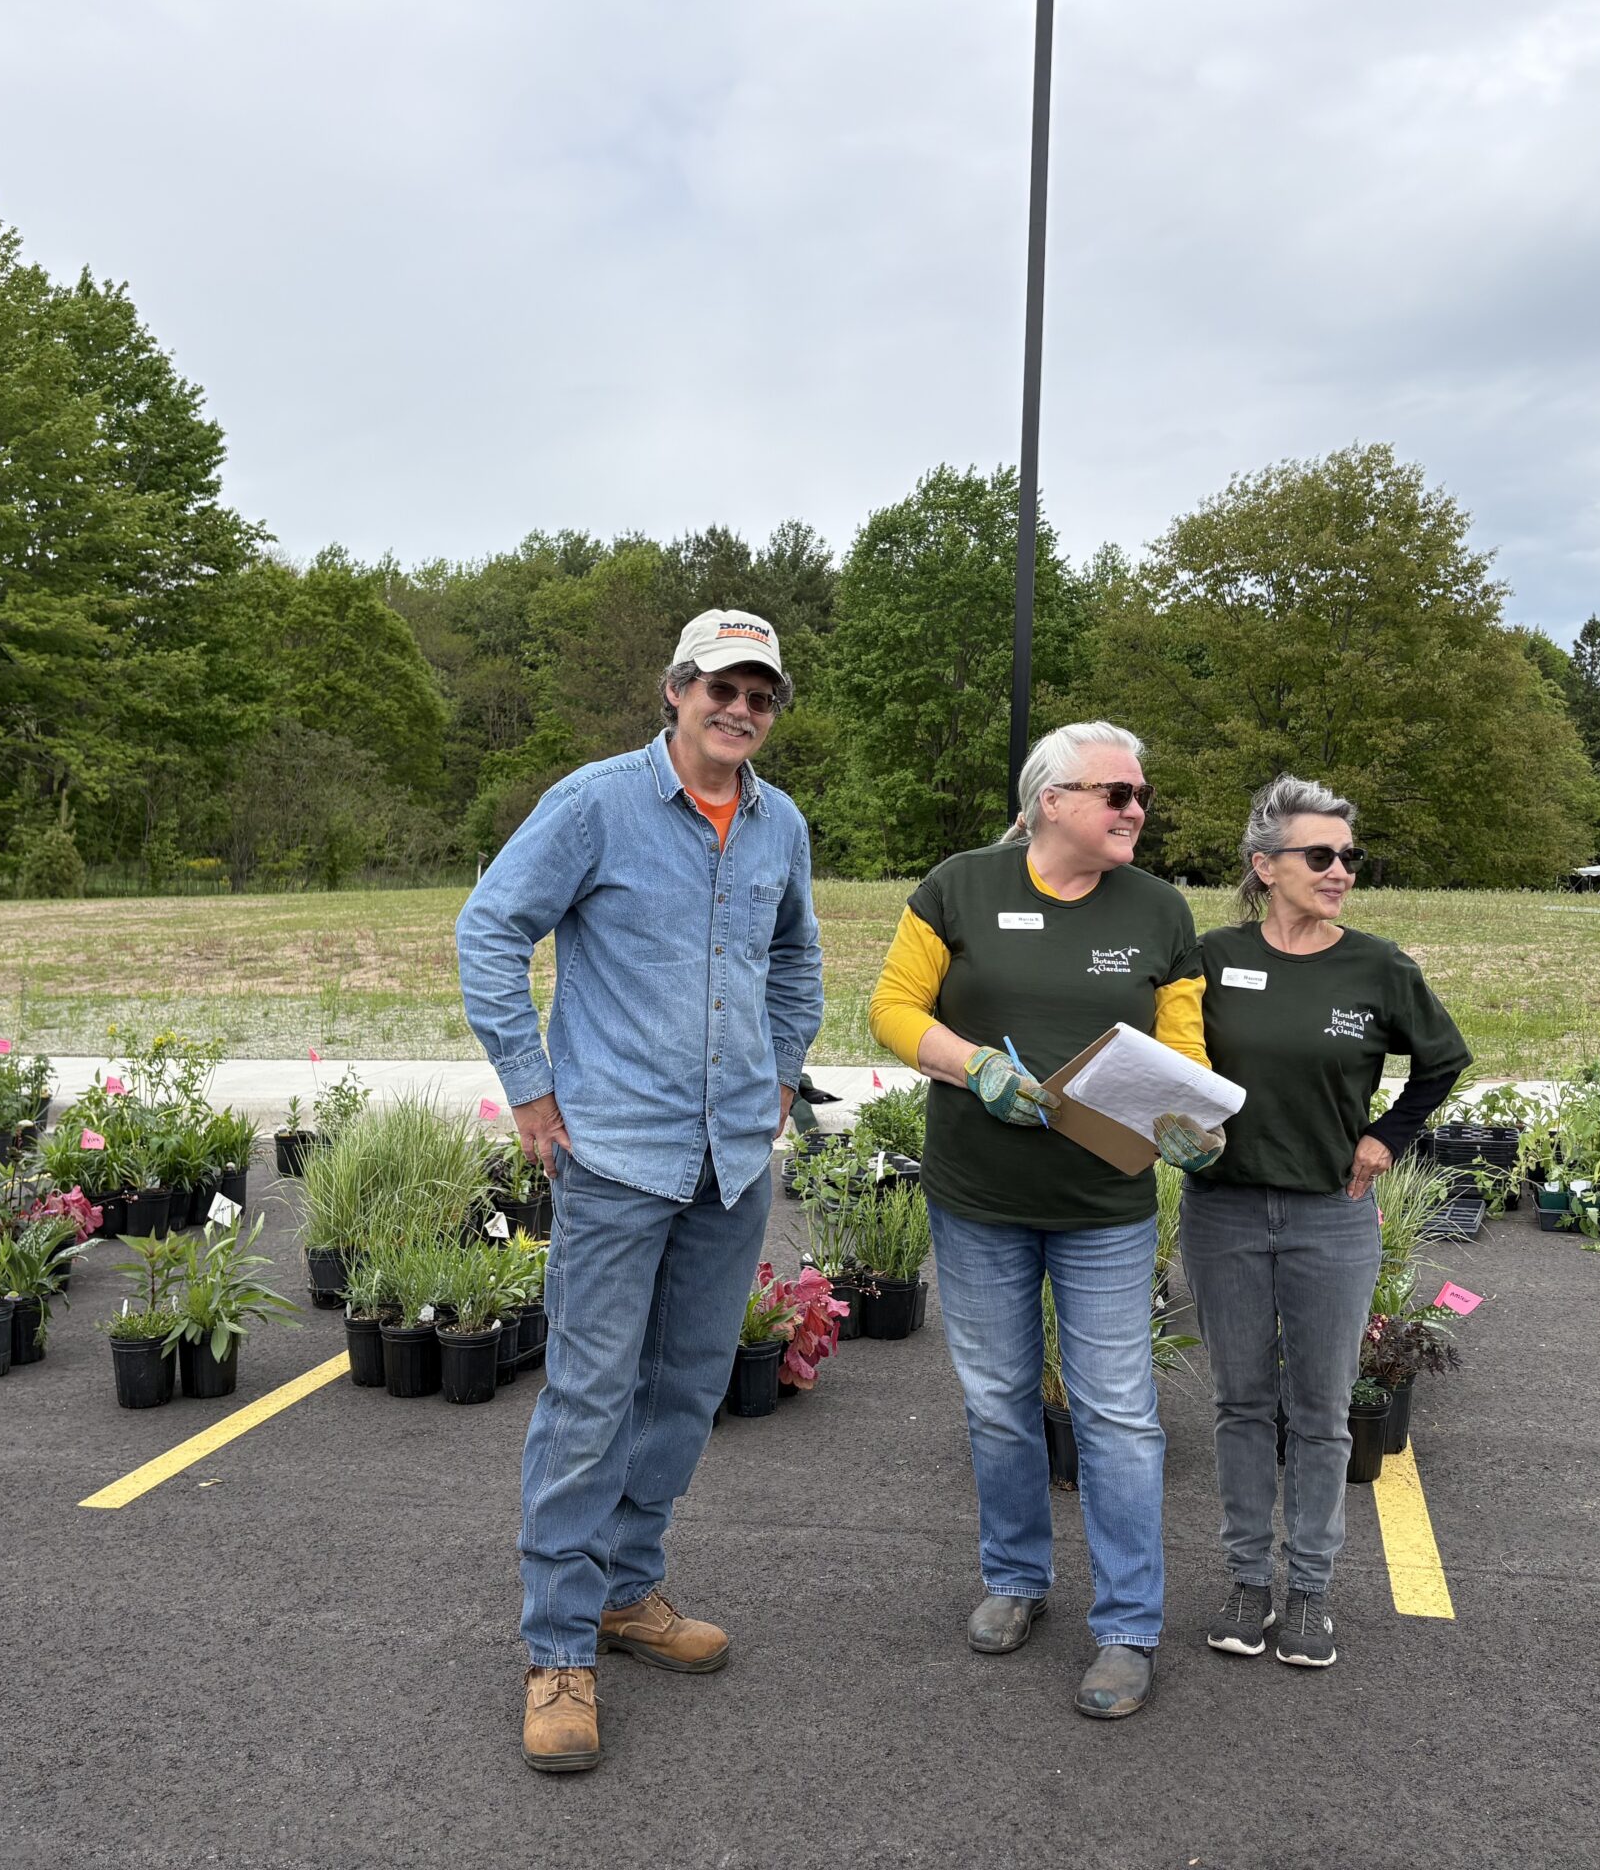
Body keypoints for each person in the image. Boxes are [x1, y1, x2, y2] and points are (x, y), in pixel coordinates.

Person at [456, 608, 823, 1774]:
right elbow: (488, 931)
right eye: (722, 687)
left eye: (760, 695)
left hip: (730, 1161)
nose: (740, 710)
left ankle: (626, 1589)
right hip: (616, 1154)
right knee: (589, 1396)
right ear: (675, 690)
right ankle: (557, 1648)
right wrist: (529, 1088)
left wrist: (779, 1069)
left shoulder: (779, 826)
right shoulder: (595, 804)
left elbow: (797, 957)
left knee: (689, 1386)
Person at [868, 720, 1224, 1720]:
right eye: (1116, 794)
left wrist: (1193, 1125)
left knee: (1115, 1414)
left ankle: (1126, 1626)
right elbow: (893, 1009)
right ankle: (1016, 1577)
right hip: (978, 1197)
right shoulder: (958, 887)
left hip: (1101, 1205)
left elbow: (1182, 1046)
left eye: (1140, 795)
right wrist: (972, 1063)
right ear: (1051, 800)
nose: (1136, 810)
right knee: (996, 1396)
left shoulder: (1158, 910)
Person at [1182, 774, 1470, 1670]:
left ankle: (1309, 1590)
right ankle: (1246, 1581)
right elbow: (1165, 1057)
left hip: (1330, 1219)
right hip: (1223, 1211)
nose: (1339, 869)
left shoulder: (1378, 966)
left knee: (1319, 1411)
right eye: (1319, 855)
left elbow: (1442, 1061)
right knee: (1239, 1404)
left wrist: (1389, 1135)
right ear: (1265, 867)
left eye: (1348, 855)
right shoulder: (1208, 956)